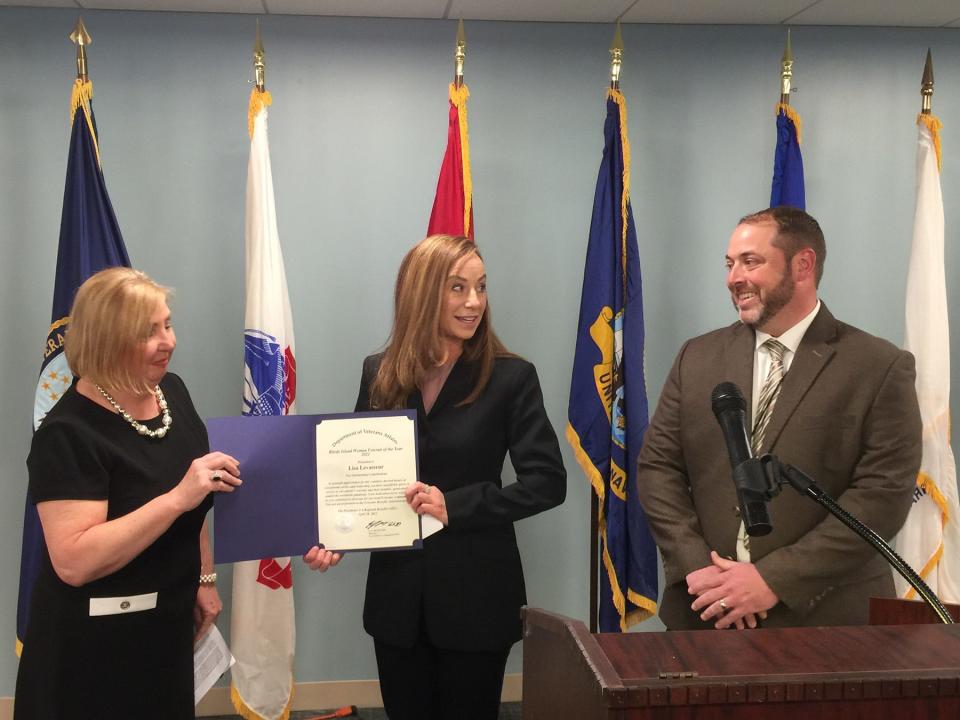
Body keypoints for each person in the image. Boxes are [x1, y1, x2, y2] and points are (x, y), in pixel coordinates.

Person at [314, 234, 566, 719]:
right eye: (458, 288)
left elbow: (548, 482)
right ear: (422, 293)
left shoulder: (511, 377)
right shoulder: (380, 372)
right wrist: (334, 533)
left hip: (477, 596)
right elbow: (353, 472)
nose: (474, 302)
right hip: (396, 602)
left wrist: (459, 505)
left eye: (481, 287)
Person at [637, 206, 922, 631]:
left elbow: (881, 497)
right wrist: (697, 568)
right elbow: (658, 469)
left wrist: (774, 579)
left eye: (751, 261)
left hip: (825, 622)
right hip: (705, 611)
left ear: (802, 265)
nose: (734, 277)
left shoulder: (878, 365)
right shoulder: (696, 357)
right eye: (730, 263)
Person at [15, 267, 242, 719]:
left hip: (166, 625)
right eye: (148, 332)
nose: (168, 342)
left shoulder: (169, 393)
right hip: (93, 643)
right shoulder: (67, 433)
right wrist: (177, 497)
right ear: (106, 340)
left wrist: (204, 577)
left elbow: (193, 503)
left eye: (167, 324)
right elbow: (75, 560)